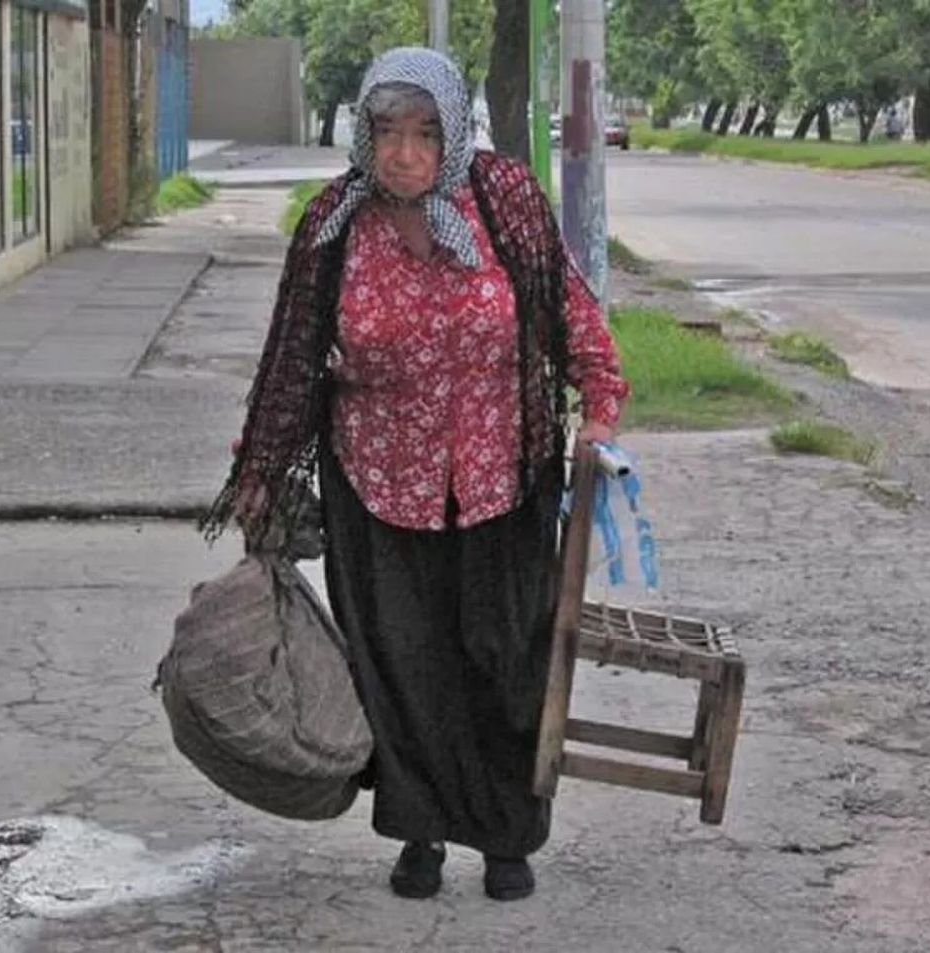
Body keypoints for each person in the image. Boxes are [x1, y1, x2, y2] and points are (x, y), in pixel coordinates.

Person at [202, 47, 629, 901]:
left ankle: (506, 836)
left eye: (424, 131)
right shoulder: (334, 224)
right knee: (401, 665)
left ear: (451, 131)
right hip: (376, 480)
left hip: (502, 477)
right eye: (387, 132)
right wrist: (258, 472)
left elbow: (567, 306)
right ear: (365, 134)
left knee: (503, 656)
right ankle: (421, 832)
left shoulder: (504, 202)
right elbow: (290, 359)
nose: (404, 152)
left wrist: (600, 405)